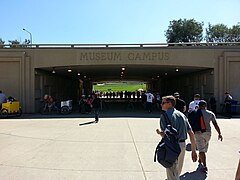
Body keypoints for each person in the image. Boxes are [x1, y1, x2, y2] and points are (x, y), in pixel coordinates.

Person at [156, 95, 197, 180]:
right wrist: (193, 150)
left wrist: (159, 133)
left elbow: (166, 135)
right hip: (182, 145)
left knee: (172, 172)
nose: (161, 104)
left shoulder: (165, 116)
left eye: (163, 103)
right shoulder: (182, 115)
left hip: (172, 146)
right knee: (177, 172)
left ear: (170, 104)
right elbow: (191, 133)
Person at [194, 100, 223, 173]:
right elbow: (215, 124)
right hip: (207, 133)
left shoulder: (195, 113)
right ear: (206, 106)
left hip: (198, 133)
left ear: (199, 106)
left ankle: (204, 166)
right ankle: (201, 160)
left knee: (201, 149)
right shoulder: (210, 113)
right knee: (203, 148)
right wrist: (219, 133)